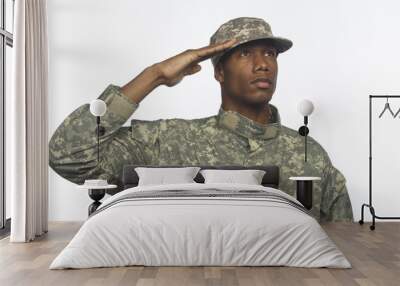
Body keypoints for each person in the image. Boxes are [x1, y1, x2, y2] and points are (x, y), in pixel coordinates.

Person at [49, 17, 353, 222]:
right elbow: (69, 157)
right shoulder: (167, 141)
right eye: (245, 54)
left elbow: (344, 239)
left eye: (270, 53)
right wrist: (153, 76)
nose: (263, 65)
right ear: (219, 72)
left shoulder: (308, 153)